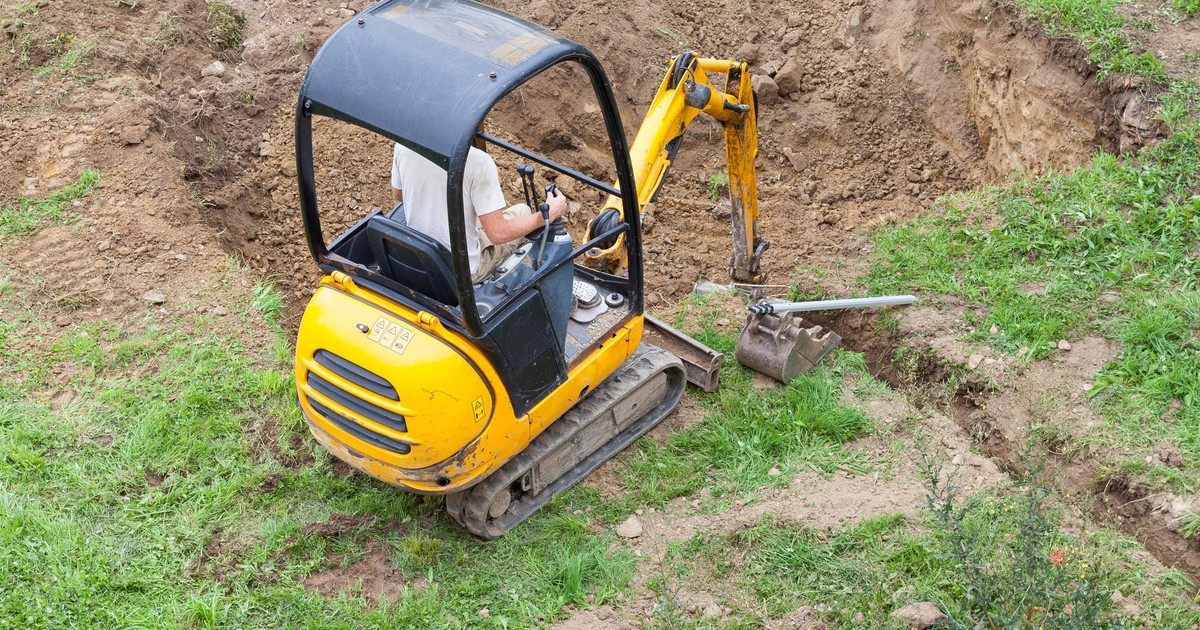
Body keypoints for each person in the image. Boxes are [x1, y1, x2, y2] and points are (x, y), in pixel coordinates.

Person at [391, 143, 567, 283]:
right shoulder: (477, 161)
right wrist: (547, 215)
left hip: (420, 255)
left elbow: (398, 194)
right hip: (462, 271)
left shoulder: (404, 145)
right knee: (523, 211)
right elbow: (498, 234)